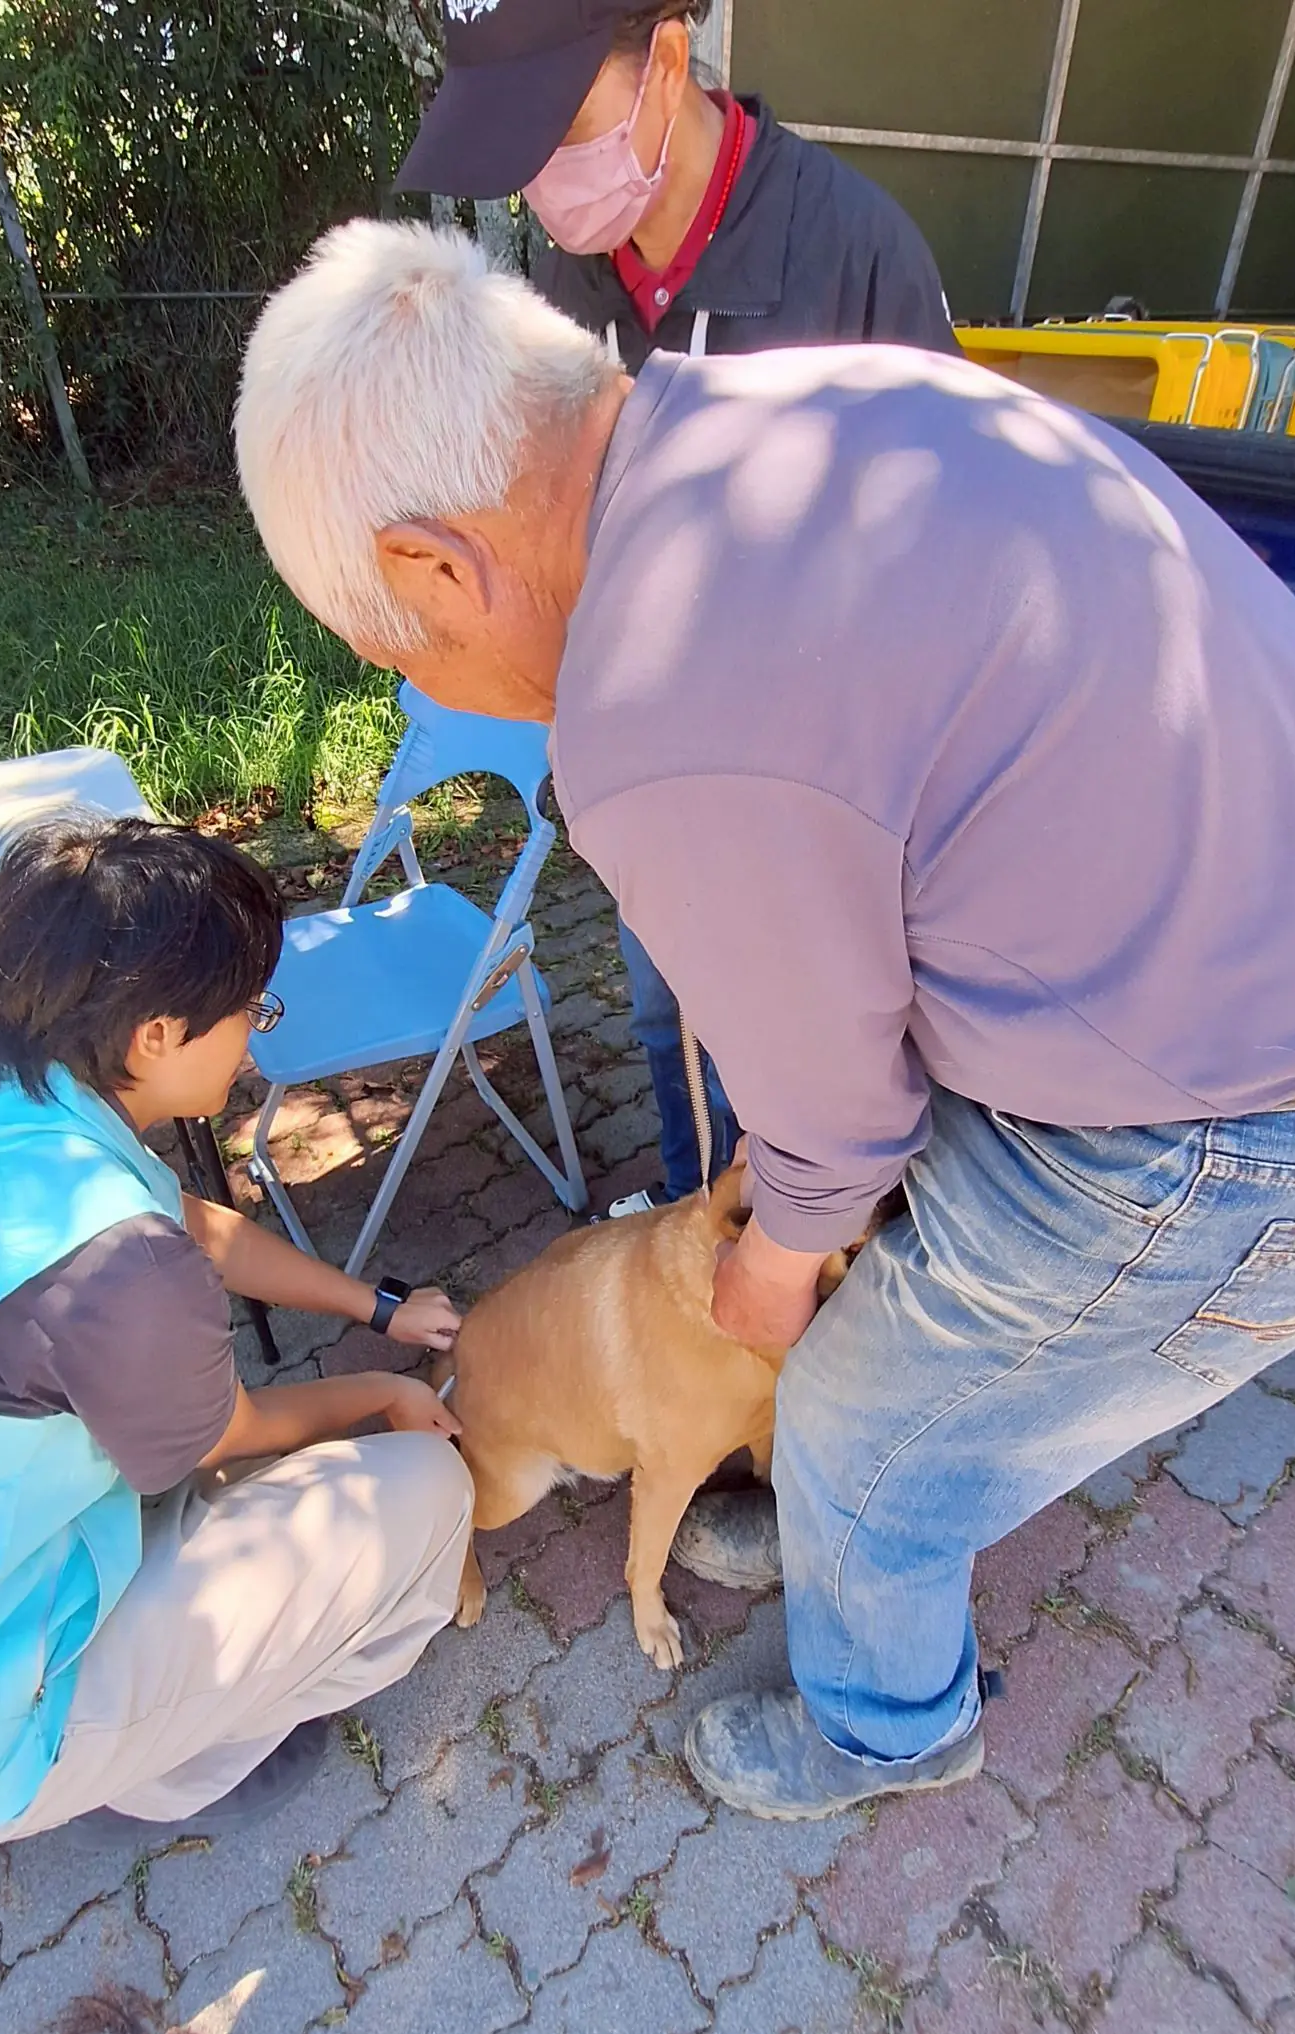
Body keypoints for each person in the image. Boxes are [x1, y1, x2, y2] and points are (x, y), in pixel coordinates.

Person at [231, 223, 1295, 1819]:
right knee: (871, 1323)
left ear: (440, 567)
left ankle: (888, 1721)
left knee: (856, 1405)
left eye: (392, 646)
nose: (416, 670)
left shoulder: (652, 715)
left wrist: (775, 1272)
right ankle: (836, 1517)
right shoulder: (833, 402)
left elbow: (832, 1122)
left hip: (1289, 1107)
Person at [0, 815, 473, 1845]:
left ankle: (153, 1708)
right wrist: (386, 1395)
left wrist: (371, 1305)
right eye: (251, 1008)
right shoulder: (119, 1263)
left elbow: (197, 1224)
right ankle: (192, 1759)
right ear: (156, 1035)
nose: (260, 1032)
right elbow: (224, 1433)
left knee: (175, 1477)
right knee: (425, 1492)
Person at [398, 0, 956, 1218]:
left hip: (834, 806)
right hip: (660, 776)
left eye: (561, 129)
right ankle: (698, 1231)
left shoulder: (853, 252)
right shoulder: (566, 276)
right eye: (516, 149)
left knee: (832, 1061)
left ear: (664, 54)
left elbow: (945, 564)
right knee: (668, 1015)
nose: (547, 185)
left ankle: (839, 1264)